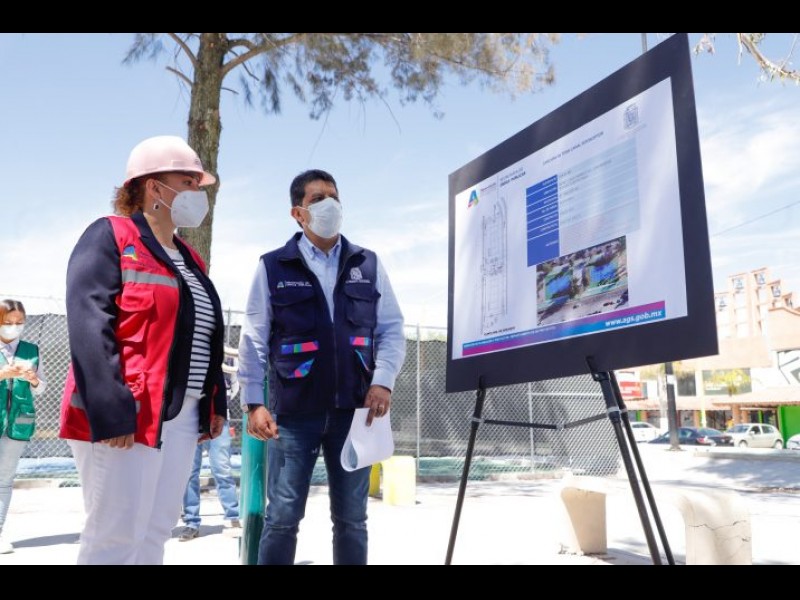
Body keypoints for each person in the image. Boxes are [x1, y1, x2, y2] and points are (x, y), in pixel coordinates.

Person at [59, 135, 228, 565]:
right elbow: (89, 325)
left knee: (155, 531)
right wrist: (111, 409)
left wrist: (214, 402)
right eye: (188, 181)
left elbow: (202, 335)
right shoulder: (111, 236)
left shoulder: (190, 259)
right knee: (114, 536)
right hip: (129, 412)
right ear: (154, 186)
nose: (198, 192)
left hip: (182, 415)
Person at [238, 169, 406, 565]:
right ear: (298, 213)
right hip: (294, 415)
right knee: (282, 517)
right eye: (317, 199)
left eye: (334, 196)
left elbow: (391, 329)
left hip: (355, 412)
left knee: (352, 519)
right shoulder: (274, 266)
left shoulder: (367, 263)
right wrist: (254, 403)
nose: (329, 204)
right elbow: (254, 339)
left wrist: (383, 381)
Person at [0, 299, 47, 555]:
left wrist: (33, 379)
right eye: (8, 322)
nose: (14, 327)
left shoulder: (32, 350)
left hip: (18, 423)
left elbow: (41, 389)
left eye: (19, 322)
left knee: (4, 480)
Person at [178, 353, 241, 541]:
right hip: (192, 418)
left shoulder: (223, 358)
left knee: (222, 468)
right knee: (190, 472)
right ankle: (191, 521)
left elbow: (233, 387)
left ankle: (232, 516)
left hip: (218, 417)